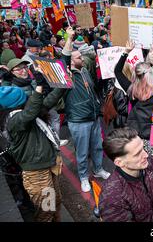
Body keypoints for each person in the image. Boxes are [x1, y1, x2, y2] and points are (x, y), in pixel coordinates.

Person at [1, 80, 65, 221]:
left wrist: (62, 85)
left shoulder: (28, 112)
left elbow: (48, 101)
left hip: (48, 167)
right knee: (47, 210)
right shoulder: (13, 120)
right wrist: (39, 88)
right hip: (37, 174)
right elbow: (30, 112)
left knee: (56, 203)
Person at [62, 27, 110, 192]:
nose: (81, 57)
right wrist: (69, 38)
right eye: (78, 56)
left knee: (97, 146)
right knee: (82, 153)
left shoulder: (83, 70)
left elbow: (92, 89)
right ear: (70, 61)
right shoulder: (66, 75)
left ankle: (97, 170)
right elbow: (64, 57)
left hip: (93, 116)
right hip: (79, 120)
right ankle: (83, 177)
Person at [99, 128, 153, 222]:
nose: (146, 155)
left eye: (143, 148)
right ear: (119, 163)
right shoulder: (112, 198)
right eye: (137, 154)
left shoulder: (150, 163)